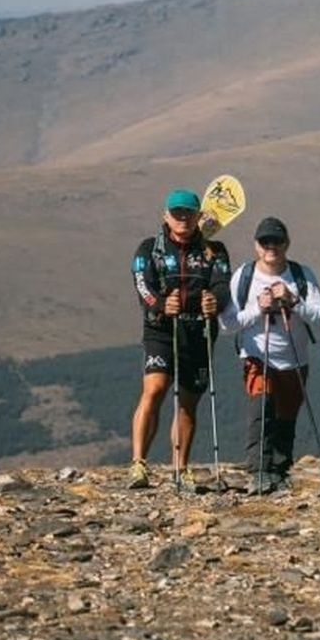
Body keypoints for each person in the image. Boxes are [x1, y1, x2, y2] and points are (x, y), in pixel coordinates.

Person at [129, 188, 233, 489]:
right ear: (166, 216)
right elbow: (142, 284)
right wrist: (162, 304)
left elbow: (224, 284)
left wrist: (215, 300)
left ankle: (181, 467)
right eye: (177, 213)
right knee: (156, 388)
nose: (183, 218)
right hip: (161, 328)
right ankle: (138, 464)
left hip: (198, 332)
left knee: (188, 401)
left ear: (199, 216)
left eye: (189, 213)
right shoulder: (150, 248)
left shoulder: (215, 250)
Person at [220, 216, 320, 494]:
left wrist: (294, 301)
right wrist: (258, 307)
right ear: (256, 245)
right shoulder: (243, 277)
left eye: (276, 241)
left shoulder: (301, 275)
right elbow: (227, 324)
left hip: (294, 358)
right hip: (257, 355)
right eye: (265, 242)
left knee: (286, 415)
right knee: (261, 409)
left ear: (286, 243)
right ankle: (257, 470)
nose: (271, 247)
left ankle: (279, 469)